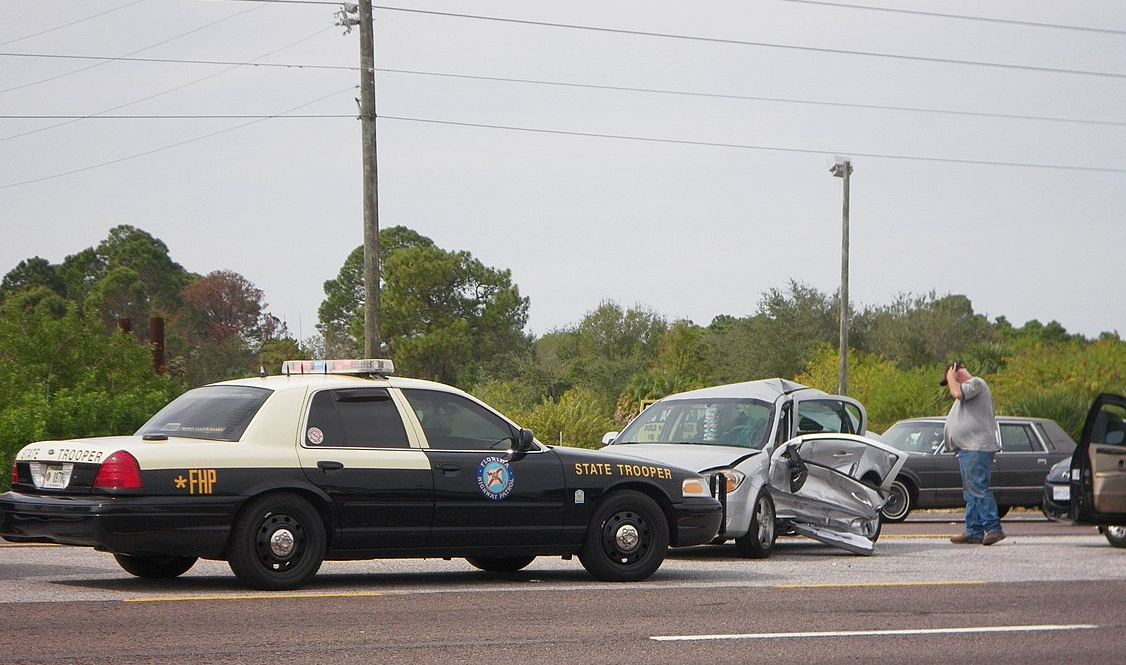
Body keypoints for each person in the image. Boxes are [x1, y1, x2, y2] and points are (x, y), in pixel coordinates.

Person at [944, 362, 1005, 546]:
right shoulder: (969, 390)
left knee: (978, 488)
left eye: (950, 379)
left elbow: (957, 393)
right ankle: (974, 531)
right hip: (967, 448)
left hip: (977, 447)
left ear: (958, 372)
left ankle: (994, 528)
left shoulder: (977, 383)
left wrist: (951, 378)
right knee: (970, 493)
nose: (949, 385)